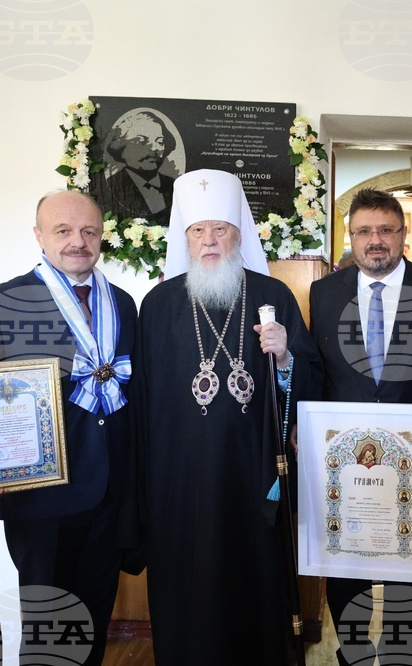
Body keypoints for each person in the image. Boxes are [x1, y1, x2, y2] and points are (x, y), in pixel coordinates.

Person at [0, 190, 137, 665]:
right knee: (49, 635)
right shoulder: (1, 303)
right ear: (38, 235)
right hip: (41, 501)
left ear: (102, 236)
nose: (77, 241)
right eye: (63, 230)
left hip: (112, 496)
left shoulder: (123, 303)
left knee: (94, 626)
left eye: (89, 231)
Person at [132, 169, 321, 665]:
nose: (209, 240)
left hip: (250, 477)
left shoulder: (273, 297)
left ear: (240, 235)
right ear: (185, 238)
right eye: (198, 231)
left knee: (252, 594)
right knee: (187, 599)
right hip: (178, 487)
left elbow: (308, 386)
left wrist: (285, 360)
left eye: (220, 229)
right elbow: (143, 404)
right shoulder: (156, 306)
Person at [308, 187, 412, 666]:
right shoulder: (324, 291)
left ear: (403, 236)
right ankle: (352, 654)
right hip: (347, 463)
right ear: (350, 237)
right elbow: (318, 370)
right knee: (348, 571)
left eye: (386, 230)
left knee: (410, 576)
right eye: (364, 231)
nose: (376, 241)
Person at [95, 109, 179, 226]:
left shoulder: (176, 186)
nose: (155, 148)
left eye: (160, 142)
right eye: (142, 142)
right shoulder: (111, 189)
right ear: (121, 148)